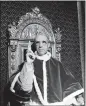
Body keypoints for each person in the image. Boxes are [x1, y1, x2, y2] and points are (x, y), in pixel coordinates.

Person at [4, 31, 84, 106]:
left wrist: (79, 96)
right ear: (35, 45)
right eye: (37, 42)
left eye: (43, 42)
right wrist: (28, 64)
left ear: (48, 45)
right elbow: (24, 89)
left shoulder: (57, 64)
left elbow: (70, 82)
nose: (40, 45)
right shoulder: (29, 63)